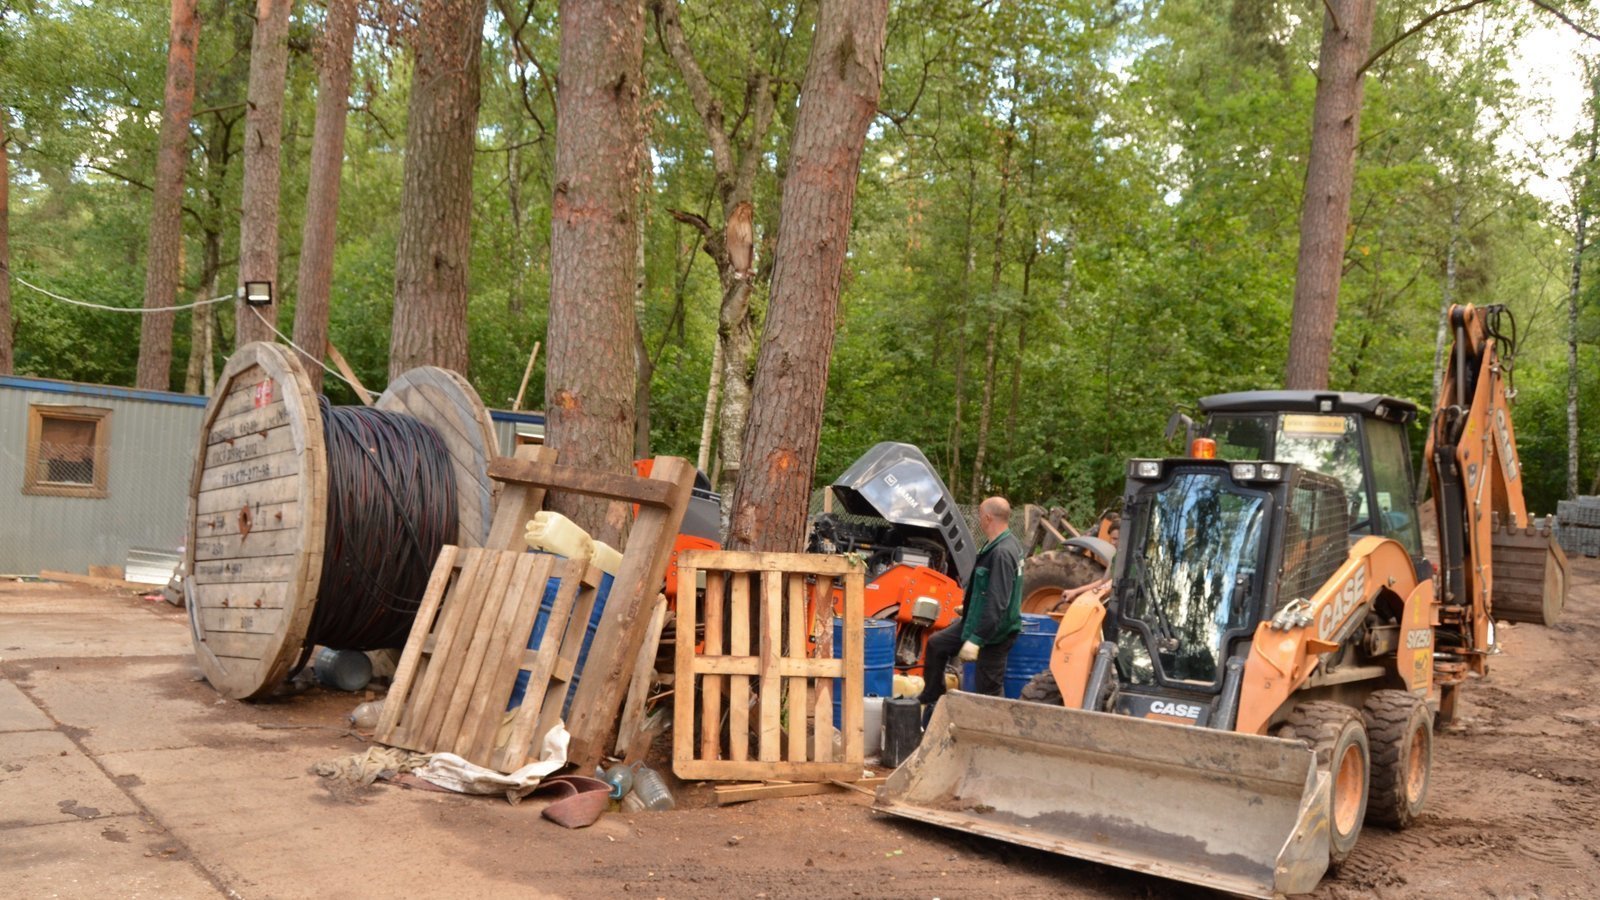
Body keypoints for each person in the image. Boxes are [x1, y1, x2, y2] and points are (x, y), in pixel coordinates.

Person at [917, 496, 1024, 725]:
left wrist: (976, 639)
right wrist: (969, 607)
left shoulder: (1003, 552)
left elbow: (998, 603)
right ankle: (933, 698)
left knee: (989, 690)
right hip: (977, 621)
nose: (979, 520)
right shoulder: (997, 544)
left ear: (987, 517)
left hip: (994, 633)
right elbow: (990, 591)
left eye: (980, 516)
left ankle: (996, 734)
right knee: (937, 644)